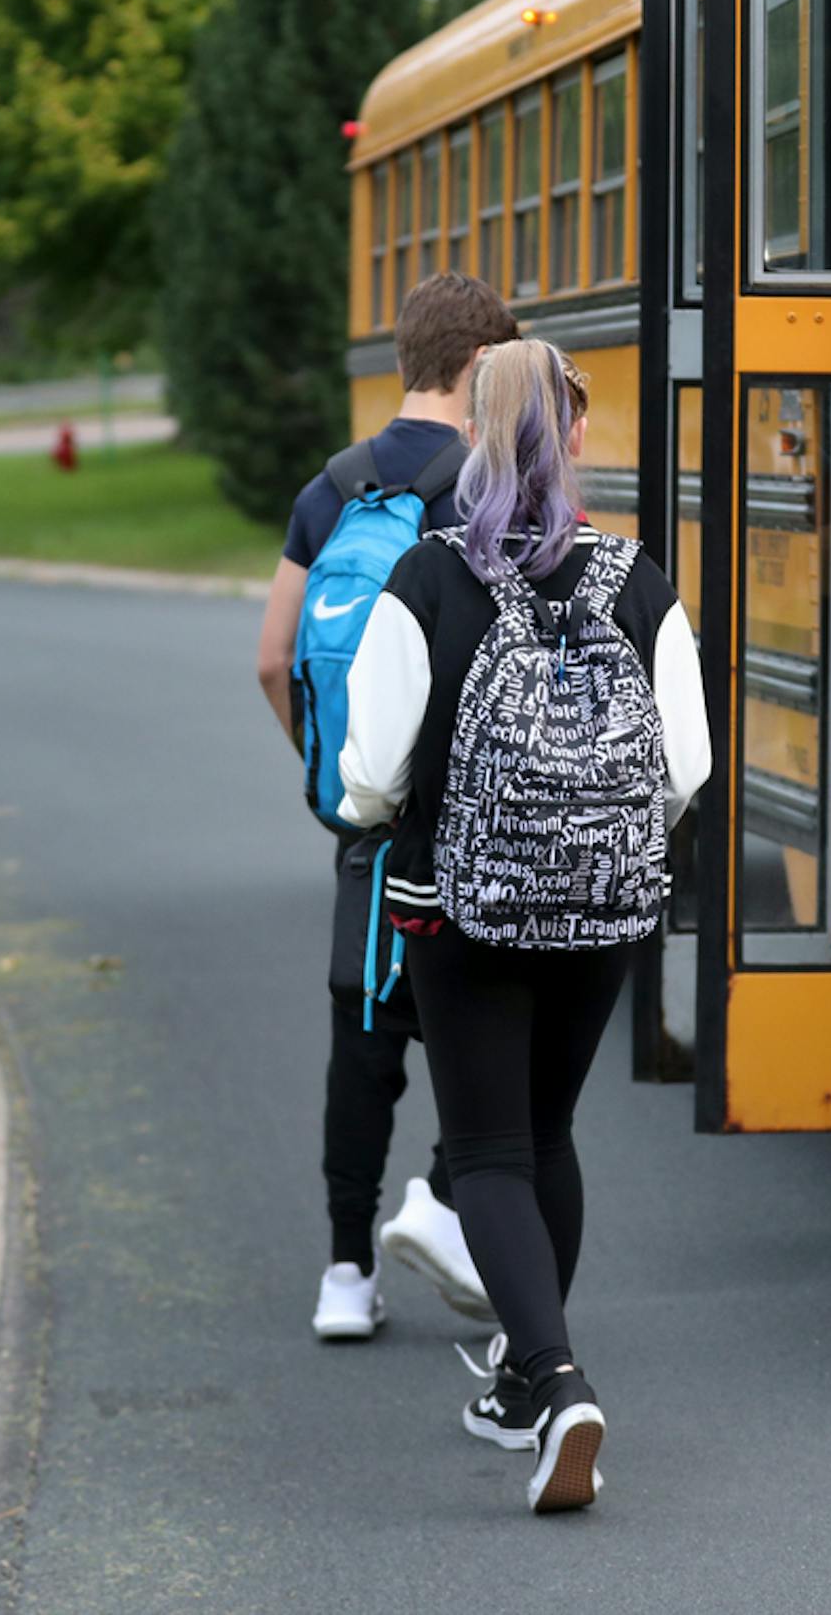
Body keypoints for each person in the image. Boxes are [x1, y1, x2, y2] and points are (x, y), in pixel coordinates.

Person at [338, 339, 711, 1513]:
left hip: (460, 908)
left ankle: (554, 1385)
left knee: (488, 1150)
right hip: (602, 911)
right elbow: (687, 765)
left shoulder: (427, 578)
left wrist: (383, 813)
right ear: (578, 437)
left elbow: (370, 772)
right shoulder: (638, 580)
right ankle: (515, 1388)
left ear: (476, 439)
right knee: (549, 1134)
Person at [255, 271, 521, 1340]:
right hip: (473, 828)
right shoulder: (493, 485)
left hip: (369, 828)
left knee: (363, 1046)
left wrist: (334, 771)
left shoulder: (332, 487)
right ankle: (457, 1215)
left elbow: (274, 659)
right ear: (480, 367)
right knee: (488, 1042)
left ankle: (345, 1272)